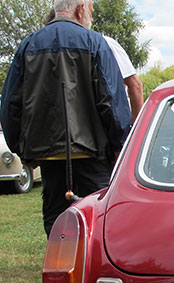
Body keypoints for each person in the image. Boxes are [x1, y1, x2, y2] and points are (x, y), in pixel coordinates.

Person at [0, 0, 131, 237]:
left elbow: (11, 104)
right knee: (97, 221)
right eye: (91, 10)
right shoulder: (94, 43)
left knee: (56, 224)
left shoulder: (28, 45)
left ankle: (59, 272)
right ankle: (92, 272)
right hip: (92, 154)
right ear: (81, 9)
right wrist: (119, 145)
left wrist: (21, 149)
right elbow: (111, 100)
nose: (90, 15)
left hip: (48, 155)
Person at [44, 8, 144, 122]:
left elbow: (134, 85)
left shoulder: (105, 44)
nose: (91, 19)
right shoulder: (52, 55)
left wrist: (136, 128)